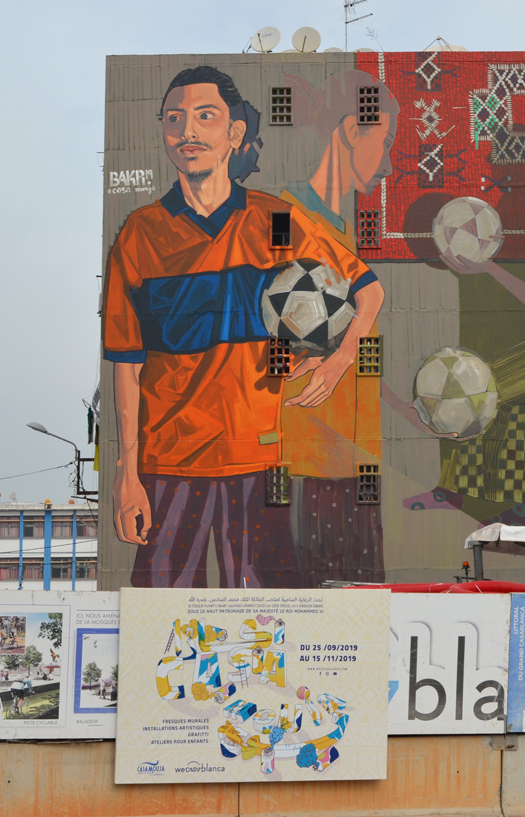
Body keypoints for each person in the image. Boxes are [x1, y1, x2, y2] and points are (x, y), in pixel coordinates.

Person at [104, 66, 384, 589]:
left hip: (258, 461)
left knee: (267, 623)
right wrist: (126, 474)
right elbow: (126, 366)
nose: (188, 131)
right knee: (162, 622)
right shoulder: (139, 235)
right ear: (164, 132)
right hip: (167, 466)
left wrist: (339, 356)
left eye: (205, 116)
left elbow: (367, 291)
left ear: (234, 134)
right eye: (175, 118)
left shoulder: (276, 220)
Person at [277, 70, 400, 585]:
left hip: (354, 458)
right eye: (385, 140)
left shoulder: (340, 231)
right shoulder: (287, 217)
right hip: (310, 458)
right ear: (352, 130)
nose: (390, 162)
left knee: (365, 593)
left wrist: (403, 411)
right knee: (318, 595)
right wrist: (329, 356)